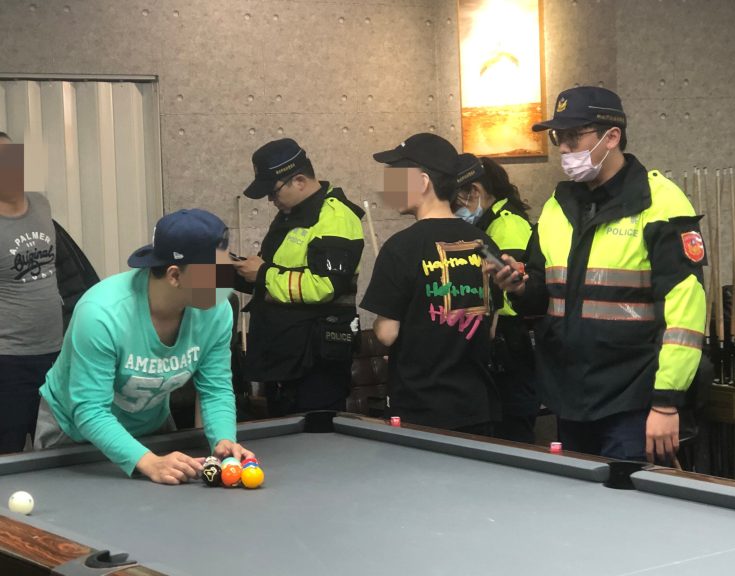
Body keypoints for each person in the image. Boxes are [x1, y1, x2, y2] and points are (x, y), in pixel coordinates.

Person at [492, 86, 706, 463]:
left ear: (612, 137)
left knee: (627, 500)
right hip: (569, 395)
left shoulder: (659, 203)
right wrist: (521, 288)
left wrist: (667, 402)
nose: (563, 147)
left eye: (574, 136)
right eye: (559, 137)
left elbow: (685, 312)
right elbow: (545, 295)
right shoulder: (558, 206)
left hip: (635, 398)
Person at [36, 209, 255, 484]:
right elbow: (89, 410)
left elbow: (215, 388)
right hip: (72, 434)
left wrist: (224, 440)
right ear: (174, 276)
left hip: (150, 430)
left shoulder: (217, 310)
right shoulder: (101, 314)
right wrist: (148, 462)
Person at [360, 133, 501, 435]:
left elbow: (386, 334)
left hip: (419, 409)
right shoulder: (485, 243)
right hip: (477, 405)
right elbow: (490, 328)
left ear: (423, 182)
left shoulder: (401, 248)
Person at [234, 138, 365, 416]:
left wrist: (263, 274)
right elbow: (274, 276)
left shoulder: (334, 217)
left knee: (317, 435)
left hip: (316, 364)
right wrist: (223, 271)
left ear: (300, 181)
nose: (270, 200)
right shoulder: (291, 215)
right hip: (283, 357)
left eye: (273, 192)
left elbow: (324, 285)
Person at [452, 154, 538, 443]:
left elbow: (509, 292)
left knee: (513, 431)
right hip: (499, 341)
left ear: (474, 191)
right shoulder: (489, 223)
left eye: (455, 203)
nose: (454, 212)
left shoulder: (506, 224)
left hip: (510, 339)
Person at [0, 134, 63, 454]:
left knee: (56, 446)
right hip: (9, 358)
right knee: (9, 449)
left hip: (56, 352)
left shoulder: (41, 203)